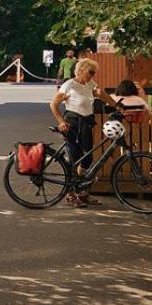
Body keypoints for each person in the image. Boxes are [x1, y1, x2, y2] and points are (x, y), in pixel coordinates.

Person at [50, 57, 120, 206]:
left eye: (94, 73)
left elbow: (103, 95)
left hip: (86, 124)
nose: (93, 75)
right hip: (72, 123)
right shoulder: (69, 85)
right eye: (91, 72)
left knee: (87, 158)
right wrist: (61, 122)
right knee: (75, 159)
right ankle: (70, 194)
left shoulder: (90, 84)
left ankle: (82, 192)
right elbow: (53, 104)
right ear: (81, 70)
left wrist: (116, 106)